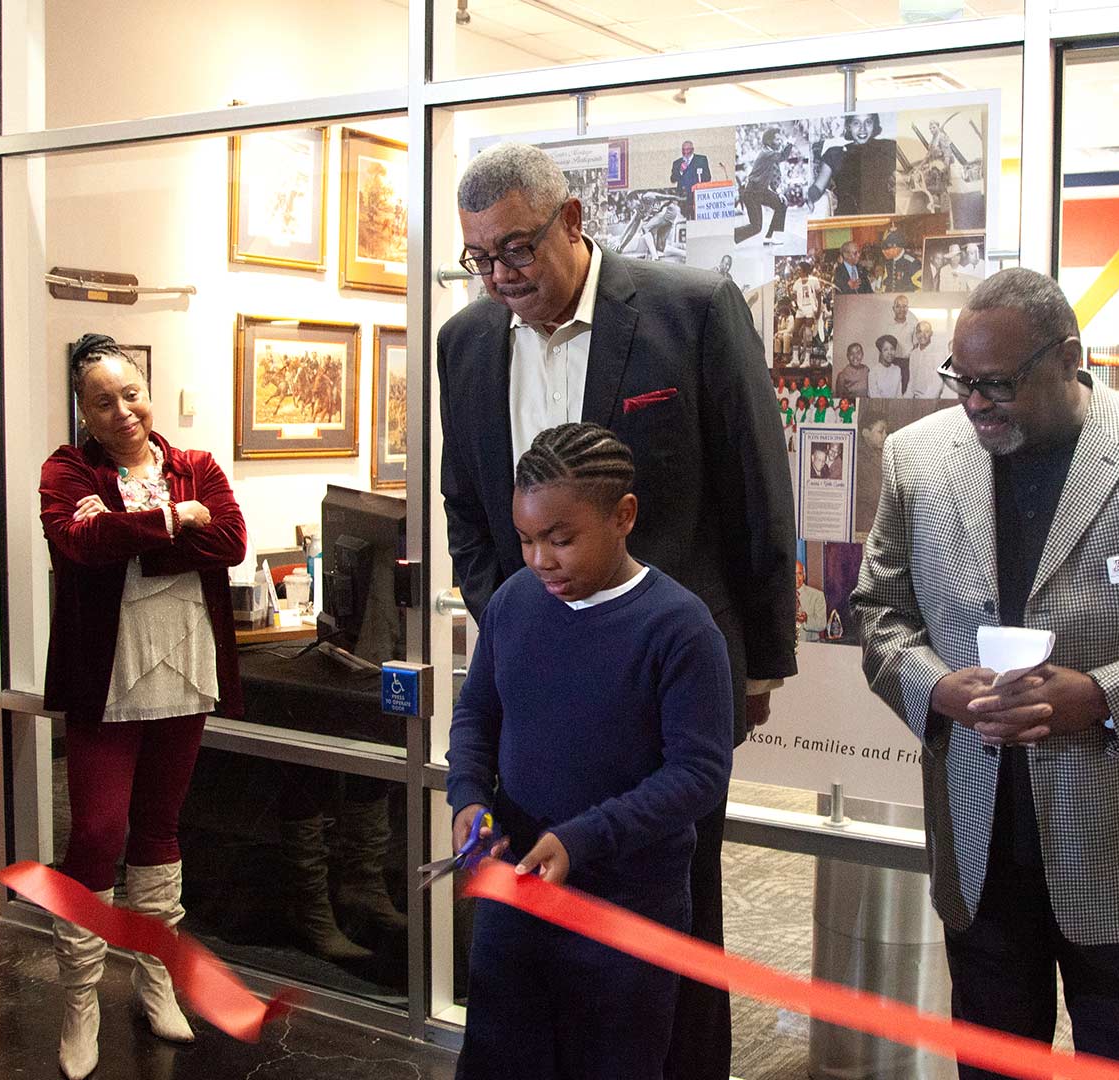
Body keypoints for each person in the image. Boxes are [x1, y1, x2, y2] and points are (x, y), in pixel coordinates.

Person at [849, 268, 1119, 1073]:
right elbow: (877, 610)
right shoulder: (918, 459)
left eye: (998, 384)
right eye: (962, 381)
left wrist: (1104, 697)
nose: (975, 404)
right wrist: (935, 686)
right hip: (978, 829)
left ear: (1070, 359)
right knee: (992, 1054)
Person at [438, 142, 796, 1080]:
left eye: (517, 248)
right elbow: (467, 509)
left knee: (667, 932)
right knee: (530, 940)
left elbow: (757, 487)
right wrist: (520, 618)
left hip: (663, 668)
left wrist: (761, 660)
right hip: (536, 668)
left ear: (571, 222)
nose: (501, 274)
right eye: (481, 256)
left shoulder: (688, 309)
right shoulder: (466, 342)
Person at [447, 423, 733, 1080]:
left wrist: (584, 838)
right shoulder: (515, 603)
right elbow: (478, 716)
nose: (540, 560)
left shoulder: (681, 628)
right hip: (514, 904)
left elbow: (698, 774)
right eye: (525, 540)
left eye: (561, 539)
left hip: (626, 915)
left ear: (623, 516)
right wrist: (467, 799)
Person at [39, 334, 248, 1080]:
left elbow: (232, 539)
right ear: (84, 413)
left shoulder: (195, 467)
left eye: (132, 393)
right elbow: (79, 547)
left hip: (184, 664)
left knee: (160, 828)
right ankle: (80, 1001)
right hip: (109, 673)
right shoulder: (65, 471)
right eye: (103, 401)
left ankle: (157, 980)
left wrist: (139, 529)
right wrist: (172, 521)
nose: (123, 410)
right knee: (96, 833)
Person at [818, 113, 898, 215]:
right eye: (856, 123)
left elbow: (905, 175)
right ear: (849, 126)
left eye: (868, 122)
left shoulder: (887, 147)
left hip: (882, 216)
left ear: (874, 124)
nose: (862, 129)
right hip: (847, 217)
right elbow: (818, 187)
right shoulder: (835, 153)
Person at [734, 128, 789, 246]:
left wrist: (778, 192)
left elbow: (774, 176)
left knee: (781, 204)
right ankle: (731, 237)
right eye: (777, 139)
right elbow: (784, 156)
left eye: (780, 139)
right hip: (751, 193)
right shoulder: (766, 153)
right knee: (756, 227)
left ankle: (769, 237)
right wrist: (791, 143)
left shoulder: (770, 155)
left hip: (761, 191)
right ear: (769, 141)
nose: (780, 142)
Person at [670, 140, 711, 218]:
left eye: (688, 149)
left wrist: (700, 185)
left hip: (698, 197)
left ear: (692, 149)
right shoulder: (677, 163)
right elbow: (673, 179)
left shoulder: (701, 160)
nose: (685, 152)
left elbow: (708, 177)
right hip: (683, 198)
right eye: (683, 150)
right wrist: (681, 170)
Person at [906, 320, 945, 399]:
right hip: (914, 400)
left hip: (930, 400)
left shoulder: (938, 353)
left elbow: (938, 382)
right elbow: (912, 380)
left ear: (931, 333)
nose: (922, 335)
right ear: (916, 334)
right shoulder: (913, 354)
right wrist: (906, 400)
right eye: (919, 332)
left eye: (926, 331)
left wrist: (926, 401)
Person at [795, 562, 827, 641]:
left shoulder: (817, 595)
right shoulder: (780, 596)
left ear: (804, 575)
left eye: (799, 573)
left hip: (810, 648)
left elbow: (822, 624)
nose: (796, 578)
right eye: (793, 574)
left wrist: (806, 620)